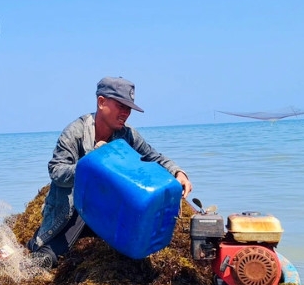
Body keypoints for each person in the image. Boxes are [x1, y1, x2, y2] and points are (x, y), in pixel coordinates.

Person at [27, 76, 193, 268]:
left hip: (109, 209)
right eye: (121, 106)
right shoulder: (75, 132)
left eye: (128, 108)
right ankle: (41, 245)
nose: (126, 113)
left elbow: (154, 157)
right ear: (101, 102)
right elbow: (56, 171)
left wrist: (178, 173)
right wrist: (92, 165)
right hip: (73, 209)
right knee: (47, 259)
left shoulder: (127, 134)